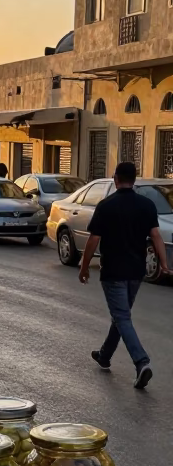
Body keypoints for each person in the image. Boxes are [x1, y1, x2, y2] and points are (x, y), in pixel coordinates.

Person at [79, 160, 168, 389]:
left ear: (115, 179)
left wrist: (84, 266)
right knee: (121, 315)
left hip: (113, 272)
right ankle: (104, 355)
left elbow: (94, 240)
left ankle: (141, 362)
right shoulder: (147, 205)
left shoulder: (106, 205)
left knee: (122, 317)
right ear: (134, 180)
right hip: (136, 272)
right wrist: (164, 263)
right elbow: (156, 236)